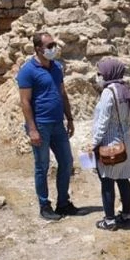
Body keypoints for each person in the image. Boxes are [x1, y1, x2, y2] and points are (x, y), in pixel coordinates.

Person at [17, 31, 79, 221]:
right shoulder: (27, 71)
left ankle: (63, 203)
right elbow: (25, 102)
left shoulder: (56, 67)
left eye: (54, 45)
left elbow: (62, 93)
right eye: (49, 46)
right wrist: (32, 129)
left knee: (66, 162)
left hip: (58, 124)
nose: (54, 48)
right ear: (38, 49)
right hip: (40, 125)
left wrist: (69, 118)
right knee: (42, 166)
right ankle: (44, 205)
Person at [91, 57, 130, 231]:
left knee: (107, 181)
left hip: (110, 143)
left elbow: (103, 121)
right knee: (123, 179)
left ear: (108, 73)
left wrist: (93, 143)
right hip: (124, 142)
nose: (98, 76)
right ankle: (126, 215)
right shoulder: (123, 89)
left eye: (100, 73)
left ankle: (109, 220)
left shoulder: (108, 92)